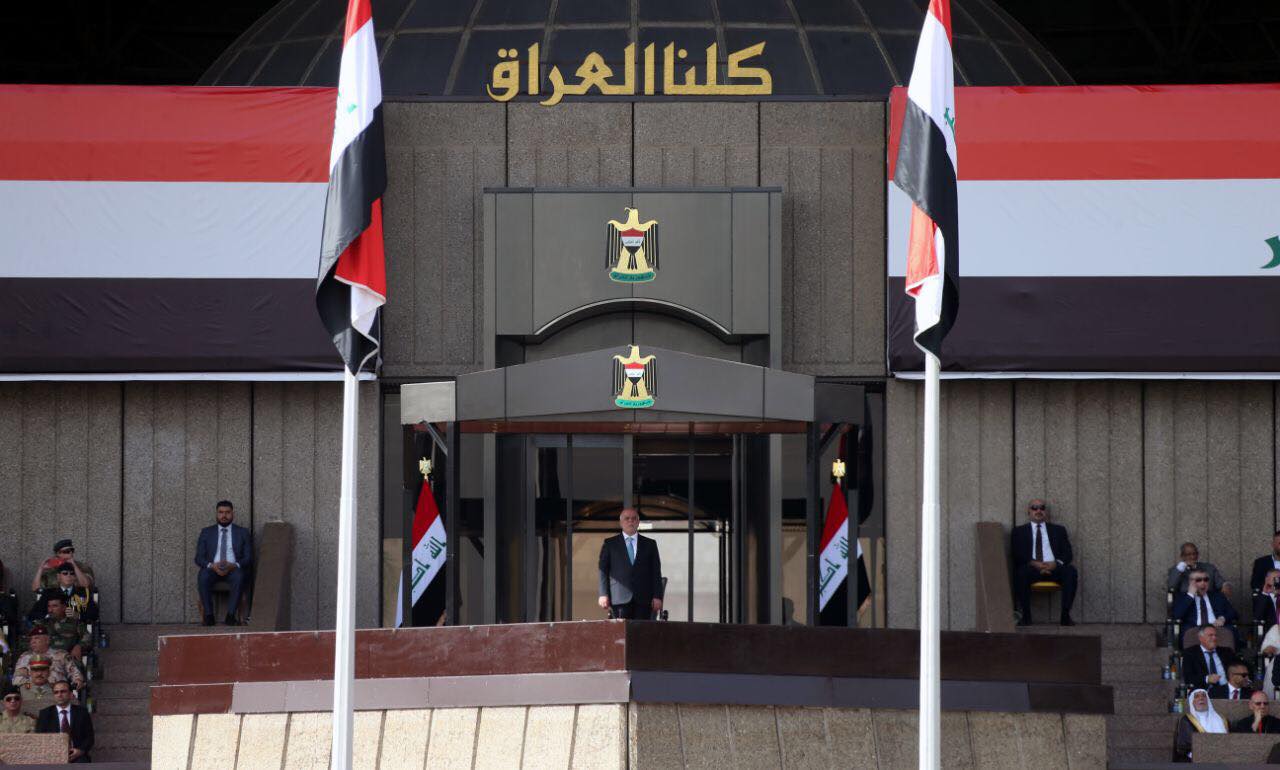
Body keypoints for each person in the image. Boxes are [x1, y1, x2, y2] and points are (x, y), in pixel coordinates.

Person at [1010, 498, 1078, 626]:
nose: (1038, 511)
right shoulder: (1019, 531)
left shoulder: (1059, 530)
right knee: (1020, 572)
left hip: (1054, 568)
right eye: (1034, 508)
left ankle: (1065, 616)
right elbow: (1017, 554)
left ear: (1045, 512)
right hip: (1032, 568)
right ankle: (1026, 617)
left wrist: (1055, 564)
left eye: (1042, 508)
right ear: (1028, 511)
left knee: (1071, 572)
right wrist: (1035, 564)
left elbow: (1068, 553)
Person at [194, 500, 253, 626]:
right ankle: (209, 616)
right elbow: (198, 558)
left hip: (233, 569)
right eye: (221, 512)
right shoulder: (206, 532)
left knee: (240, 576)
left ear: (233, 514)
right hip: (212, 569)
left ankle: (230, 616)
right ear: (216, 514)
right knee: (203, 575)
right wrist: (212, 566)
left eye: (227, 512)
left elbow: (248, 557)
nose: (224, 515)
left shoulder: (242, 532)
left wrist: (234, 565)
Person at [597, 507, 664, 620]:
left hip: (644, 599)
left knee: (641, 630)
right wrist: (603, 594)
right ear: (621, 522)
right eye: (627, 518)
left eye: (634, 518)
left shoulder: (650, 544)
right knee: (620, 631)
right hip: (619, 599)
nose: (630, 521)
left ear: (638, 522)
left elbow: (656, 572)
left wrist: (657, 596)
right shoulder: (610, 544)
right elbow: (603, 571)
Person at [35, 680, 93, 763]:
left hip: (76, 755)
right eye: (56, 692)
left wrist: (80, 750)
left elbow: (89, 737)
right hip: (51, 755)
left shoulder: (82, 712)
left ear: (70, 694)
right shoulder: (45, 714)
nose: (59, 695)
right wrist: (52, 753)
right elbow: (39, 738)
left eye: (63, 691)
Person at [12, 626, 84, 691]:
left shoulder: (61, 655)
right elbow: (16, 679)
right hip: (32, 693)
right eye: (31, 639)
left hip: (57, 693)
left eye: (37, 638)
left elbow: (75, 673)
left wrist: (77, 680)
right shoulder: (24, 657)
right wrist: (32, 687)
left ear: (47, 640)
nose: (32, 642)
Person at [28, 563, 98, 623]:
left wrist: (78, 615)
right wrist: (50, 615)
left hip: (77, 630)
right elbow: (33, 614)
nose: (69, 576)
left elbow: (94, 614)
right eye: (65, 573)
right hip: (53, 630)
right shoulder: (48, 593)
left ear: (75, 577)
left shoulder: (83, 592)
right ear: (58, 577)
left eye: (72, 573)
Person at [1172, 568, 1238, 631]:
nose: (1203, 583)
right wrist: (1190, 595)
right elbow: (1176, 615)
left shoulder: (1217, 596)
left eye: (1206, 580)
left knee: (1229, 632)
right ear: (1190, 582)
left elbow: (1233, 613)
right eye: (1198, 580)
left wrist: (1223, 618)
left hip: (1217, 630)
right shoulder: (1182, 597)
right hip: (1194, 631)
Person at [1172, 688, 1228, 762]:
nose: (1201, 698)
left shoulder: (1221, 719)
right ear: (1192, 702)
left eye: (1204, 696)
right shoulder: (1187, 720)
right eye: (1197, 696)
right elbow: (1183, 746)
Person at [1183, 625, 1233, 691]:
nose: (1214, 638)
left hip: (1227, 690)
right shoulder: (1190, 653)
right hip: (1203, 691)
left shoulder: (1227, 652)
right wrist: (1207, 679)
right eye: (1210, 635)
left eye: (1215, 635)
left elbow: (1237, 668)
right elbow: (1188, 678)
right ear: (1200, 638)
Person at [41, 596, 90, 662]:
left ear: (64, 607)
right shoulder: (42, 623)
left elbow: (87, 637)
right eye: (49, 606)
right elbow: (31, 640)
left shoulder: (75, 623)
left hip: (68, 660)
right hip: (45, 661)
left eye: (54, 606)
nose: (50, 610)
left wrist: (79, 646)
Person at [1257, 569, 1280, 635]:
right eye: (1275, 578)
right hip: (1271, 633)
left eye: (1279, 578)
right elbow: (1258, 616)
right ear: (1267, 580)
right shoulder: (1261, 597)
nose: (1277, 581)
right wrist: (1265, 593)